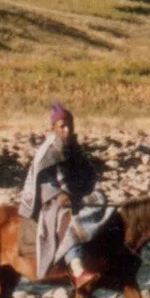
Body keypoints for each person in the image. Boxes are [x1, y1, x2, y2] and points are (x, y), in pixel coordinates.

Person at [19, 103, 99, 277]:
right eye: (62, 126)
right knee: (66, 218)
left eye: (70, 125)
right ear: (53, 128)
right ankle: (76, 265)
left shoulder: (75, 148)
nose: (67, 130)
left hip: (75, 195)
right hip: (50, 202)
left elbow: (89, 172)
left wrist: (85, 189)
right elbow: (43, 182)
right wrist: (60, 194)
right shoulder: (47, 151)